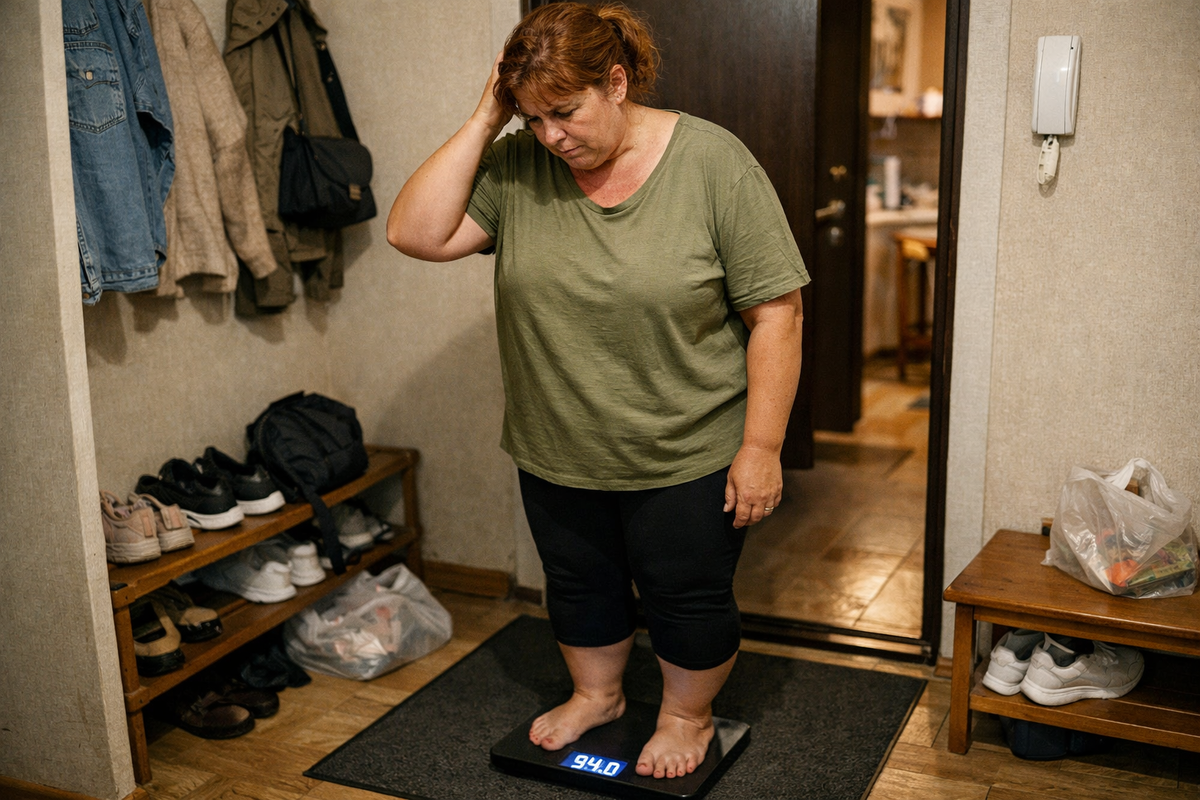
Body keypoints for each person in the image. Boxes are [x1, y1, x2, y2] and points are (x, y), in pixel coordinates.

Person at [387, 2, 808, 781]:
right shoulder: (519, 164)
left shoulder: (714, 163)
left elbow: (777, 314)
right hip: (557, 443)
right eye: (533, 117)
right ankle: (598, 695)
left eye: (566, 112)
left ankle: (685, 716)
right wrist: (486, 120)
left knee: (686, 594)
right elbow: (415, 234)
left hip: (687, 449)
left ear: (616, 83)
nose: (551, 136)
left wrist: (761, 447)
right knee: (579, 585)